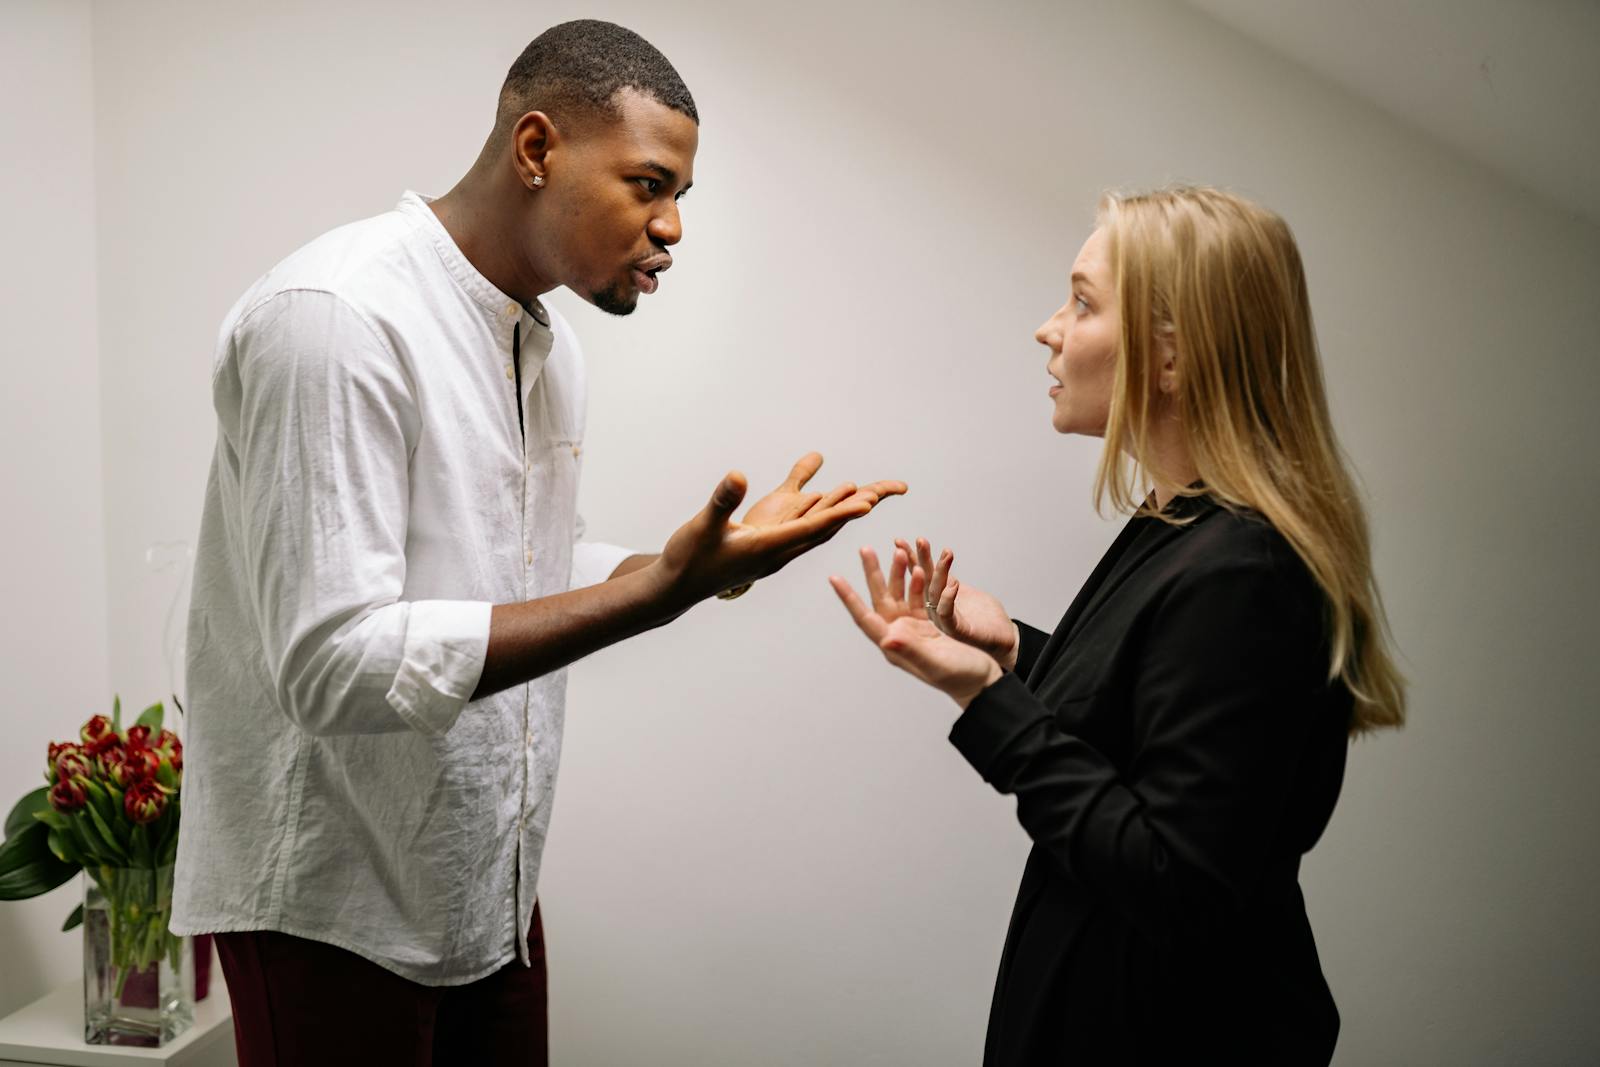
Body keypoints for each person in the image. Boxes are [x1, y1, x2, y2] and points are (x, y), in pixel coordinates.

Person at [172, 20, 903, 1066]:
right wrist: (646, 597)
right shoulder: (336, 316)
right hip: (328, 900)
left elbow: (506, 568)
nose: (671, 228)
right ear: (535, 149)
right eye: (648, 184)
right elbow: (329, 664)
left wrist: (685, 571)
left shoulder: (544, 348)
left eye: (680, 198)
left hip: (485, 889)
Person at [831, 186, 1405, 1065]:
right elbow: (1155, 723)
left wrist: (982, 695)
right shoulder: (1184, 527)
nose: (1049, 328)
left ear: (1171, 358)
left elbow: (1173, 875)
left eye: (1083, 301)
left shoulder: (1246, 569)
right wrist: (1015, 651)